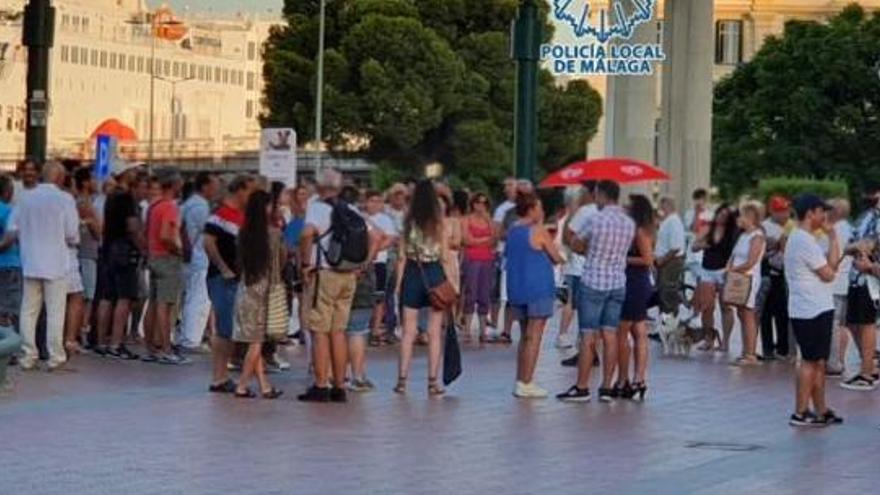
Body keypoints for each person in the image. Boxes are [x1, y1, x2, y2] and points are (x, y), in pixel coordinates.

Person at [557, 180, 635, 403]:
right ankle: (607, 387)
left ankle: (582, 386)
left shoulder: (596, 219)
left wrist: (588, 248)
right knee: (610, 334)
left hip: (593, 280)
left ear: (601, 195)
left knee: (588, 334)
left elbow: (575, 243)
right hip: (618, 281)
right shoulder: (628, 222)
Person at [4, 163, 79, 371]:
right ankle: (55, 356)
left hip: (30, 261)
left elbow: (12, 228)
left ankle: (28, 355)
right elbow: (72, 233)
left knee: (28, 310)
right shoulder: (65, 199)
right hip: (56, 261)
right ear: (59, 177)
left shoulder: (25, 198)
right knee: (55, 310)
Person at [298, 169, 357, 403]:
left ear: (320, 187)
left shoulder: (317, 208)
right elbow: (372, 237)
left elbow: (306, 233)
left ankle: (321, 384)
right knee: (339, 330)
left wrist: (305, 262)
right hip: (347, 274)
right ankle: (340, 385)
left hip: (324, 273)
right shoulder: (350, 209)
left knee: (320, 330)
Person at [784, 194, 843, 427]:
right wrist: (832, 238)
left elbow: (831, 267)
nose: (824, 216)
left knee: (818, 360)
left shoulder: (806, 239)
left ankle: (821, 409)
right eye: (821, 211)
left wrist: (832, 236)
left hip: (816, 306)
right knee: (809, 360)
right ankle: (800, 411)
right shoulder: (803, 241)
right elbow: (829, 273)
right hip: (810, 308)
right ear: (810, 213)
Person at [394, 179, 448, 397]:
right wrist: (452, 281)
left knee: (408, 332)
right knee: (434, 332)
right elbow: (444, 255)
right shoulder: (438, 221)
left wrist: (398, 285)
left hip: (413, 273)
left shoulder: (408, 221)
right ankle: (433, 381)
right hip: (434, 272)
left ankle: (402, 380)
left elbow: (400, 257)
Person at [507, 191, 563, 398]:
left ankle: (520, 378)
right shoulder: (538, 231)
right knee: (535, 335)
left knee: (524, 335)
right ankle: (527, 381)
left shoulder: (513, 229)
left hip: (517, 285)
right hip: (538, 286)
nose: (542, 211)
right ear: (532, 209)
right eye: (539, 207)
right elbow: (556, 257)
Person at [231, 190, 284, 399]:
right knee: (256, 343)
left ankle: (264, 386)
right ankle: (242, 386)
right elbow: (277, 265)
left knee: (254, 341)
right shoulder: (274, 234)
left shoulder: (242, 233)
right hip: (265, 291)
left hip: (246, 289)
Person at [205, 175, 253, 394]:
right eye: (250, 191)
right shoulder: (220, 214)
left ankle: (222, 375)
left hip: (237, 277)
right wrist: (223, 267)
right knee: (224, 329)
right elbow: (208, 242)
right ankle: (218, 377)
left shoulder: (241, 215)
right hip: (223, 278)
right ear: (240, 190)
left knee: (229, 328)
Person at [94, 170, 143, 359]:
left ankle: (101, 342)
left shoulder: (111, 198)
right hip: (124, 252)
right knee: (125, 297)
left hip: (108, 250)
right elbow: (132, 227)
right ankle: (116, 343)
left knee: (107, 297)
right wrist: (142, 247)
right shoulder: (127, 200)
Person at [615, 195, 656, 400]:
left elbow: (648, 259)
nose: (623, 208)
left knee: (622, 331)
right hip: (636, 283)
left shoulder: (639, 232)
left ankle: (624, 379)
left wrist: (623, 258)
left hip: (634, 283)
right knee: (639, 330)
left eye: (627, 206)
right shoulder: (638, 230)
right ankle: (639, 378)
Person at [145, 168, 186, 364]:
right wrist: (178, 250)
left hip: (153, 256)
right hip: (166, 258)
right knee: (166, 304)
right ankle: (165, 347)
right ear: (174, 185)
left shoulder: (154, 206)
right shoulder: (170, 207)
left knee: (153, 302)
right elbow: (165, 235)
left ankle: (151, 346)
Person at [842, 188, 880, 391]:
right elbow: (850, 246)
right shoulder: (864, 217)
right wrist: (860, 247)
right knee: (853, 322)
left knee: (867, 324)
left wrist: (865, 251)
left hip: (872, 280)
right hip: (856, 277)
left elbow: (869, 245)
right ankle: (870, 360)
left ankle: (867, 372)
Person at [178, 172, 219, 351]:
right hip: (199, 257)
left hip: (190, 257)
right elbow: (209, 232)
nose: (216, 189)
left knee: (191, 297)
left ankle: (187, 334)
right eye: (214, 185)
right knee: (198, 299)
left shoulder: (188, 204)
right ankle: (191, 338)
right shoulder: (200, 206)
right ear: (205, 186)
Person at [560, 181, 599, 367]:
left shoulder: (585, 211)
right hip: (602, 270)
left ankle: (584, 350)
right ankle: (594, 349)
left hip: (581, 267)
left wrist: (580, 248)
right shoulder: (605, 212)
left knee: (581, 309)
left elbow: (568, 234)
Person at [691, 204, 739, 351]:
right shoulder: (708, 229)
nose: (721, 217)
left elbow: (736, 252)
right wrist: (703, 244)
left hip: (724, 270)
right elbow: (694, 246)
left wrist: (731, 269)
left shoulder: (733, 232)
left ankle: (725, 341)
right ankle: (709, 339)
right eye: (720, 213)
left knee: (726, 307)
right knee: (707, 307)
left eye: (725, 215)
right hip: (707, 270)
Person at [727, 203, 766, 366]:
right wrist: (729, 267)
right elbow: (734, 255)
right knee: (741, 313)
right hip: (737, 278)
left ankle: (751, 353)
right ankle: (745, 349)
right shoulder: (743, 235)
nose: (738, 219)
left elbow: (751, 261)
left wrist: (733, 270)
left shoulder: (757, 236)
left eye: (741, 215)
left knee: (748, 313)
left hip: (748, 277)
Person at [759, 195, 793, 360]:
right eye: (781, 211)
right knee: (766, 312)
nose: (785, 214)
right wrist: (773, 244)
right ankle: (767, 348)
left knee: (782, 312)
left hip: (783, 273)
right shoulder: (765, 227)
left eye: (787, 210)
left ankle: (783, 348)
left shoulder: (791, 226)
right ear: (772, 211)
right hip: (768, 271)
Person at [362, 190, 398, 347]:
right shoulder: (359, 217)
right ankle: (365, 327)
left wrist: (374, 251)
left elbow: (390, 239)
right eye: (372, 201)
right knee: (365, 296)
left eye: (378, 201)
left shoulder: (385, 219)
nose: (375, 204)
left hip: (380, 262)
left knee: (379, 297)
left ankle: (376, 329)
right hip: (362, 263)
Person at [462, 192, 496, 342]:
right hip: (472, 259)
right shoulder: (466, 220)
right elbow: (467, 240)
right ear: (473, 204)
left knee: (484, 294)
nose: (481, 206)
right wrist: (485, 240)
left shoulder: (490, 221)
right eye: (478, 202)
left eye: (484, 203)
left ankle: (483, 330)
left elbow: (494, 239)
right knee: (471, 292)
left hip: (487, 259)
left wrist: (479, 240)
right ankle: (467, 329)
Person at [73, 167, 101, 350]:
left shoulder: (79, 201)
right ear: (85, 182)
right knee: (87, 296)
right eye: (92, 179)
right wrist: (95, 223)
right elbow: (98, 232)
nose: (95, 182)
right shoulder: (85, 204)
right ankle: (81, 333)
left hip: (83, 252)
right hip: (87, 253)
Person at [555, 187, 585, 349]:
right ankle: (564, 334)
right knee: (573, 302)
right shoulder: (572, 220)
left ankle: (567, 334)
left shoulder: (567, 219)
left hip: (574, 267)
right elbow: (569, 242)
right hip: (576, 267)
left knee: (574, 302)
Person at [827, 199, 853, 377]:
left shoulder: (834, 231)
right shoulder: (850, 228)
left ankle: (833, 362)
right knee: (843, 325)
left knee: (833, 325)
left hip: (834, 283)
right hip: (847, 283)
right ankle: (840, 360)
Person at [490, 178, 518, 331]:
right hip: (502, 252)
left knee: (512, 294)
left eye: (511, 185)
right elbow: (497, 232)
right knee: (497, 290)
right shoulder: (502, 209)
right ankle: (494, 324)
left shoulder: (524, 207)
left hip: (519, 254)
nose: (508, 188)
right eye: (506, 185)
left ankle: (508, 328)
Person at [655, 196, 686, 316]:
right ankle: (663, 324)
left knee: (668, 294)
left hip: (671, 261)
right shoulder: (667, 220)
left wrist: (662, 259)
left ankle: (669, 325)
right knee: (663, 293)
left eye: (662, 206)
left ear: (667, 205)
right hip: (666, 261)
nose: (660, 209)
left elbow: (675, 247)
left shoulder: (673, 221)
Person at [0, 174, 22, 338]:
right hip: (9, 264)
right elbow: (10, 238)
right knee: (8, 310)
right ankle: (8, 347)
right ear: (7, 191)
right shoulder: (9, 211)